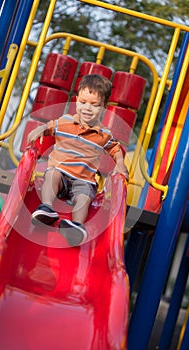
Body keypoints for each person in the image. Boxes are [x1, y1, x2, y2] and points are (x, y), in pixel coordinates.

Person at [27, 74, 128, 246]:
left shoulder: (103, 134)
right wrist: (41, 129)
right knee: (52, 175)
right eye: (83, 102)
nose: (87, 108)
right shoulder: (65, 121)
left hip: (84, 180)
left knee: (83, 198)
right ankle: (47, 208)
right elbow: (49, 127)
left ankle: (76, 226)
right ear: (76, 101)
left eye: (94, 105)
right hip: (60, 174)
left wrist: (120, 165)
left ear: (104, 107)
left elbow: (115, 149)